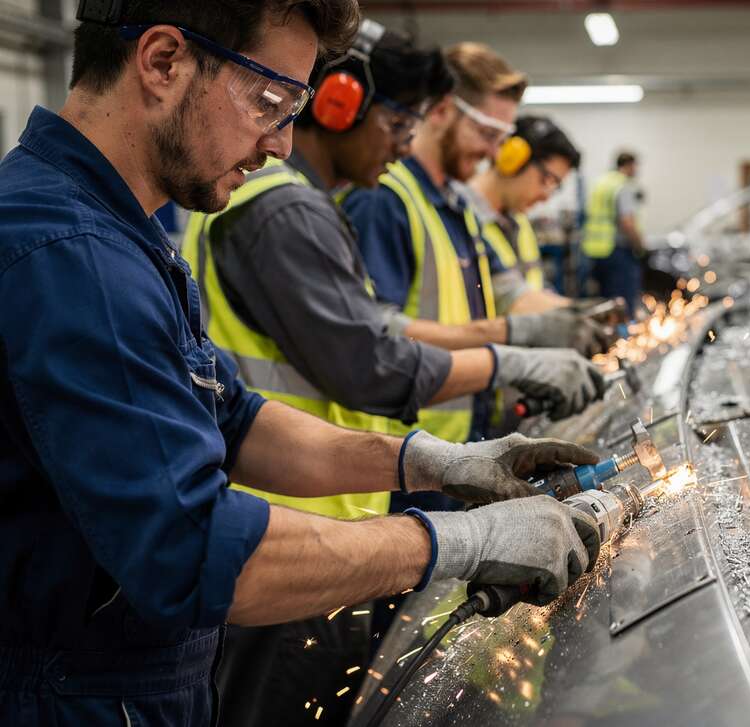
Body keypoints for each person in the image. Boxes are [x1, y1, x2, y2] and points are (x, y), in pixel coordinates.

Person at [0, 4, 599, 725]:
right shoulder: (68, 254)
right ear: (162, 62)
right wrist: (462, 540)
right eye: (271, 102)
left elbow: (236, 419)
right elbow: (193, 552)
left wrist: (439, 463)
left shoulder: (124, 234)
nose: (283, 143)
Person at [344, 42, 614, 445]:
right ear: (440, 111)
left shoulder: (455, 207)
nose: (493, 154)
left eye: (501, 138)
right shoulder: (384, 200)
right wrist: (514, 342)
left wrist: (579, 317)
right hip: (402, 447)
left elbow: (504, 291)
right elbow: (377, 339)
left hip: (455, 440)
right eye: (487, 134)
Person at [466, 114, 581, 313]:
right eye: (547, 180)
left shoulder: (520, 222)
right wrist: (577, 312)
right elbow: (511, 299)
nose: (546, 196)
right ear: (513, 159)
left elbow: (536, 289)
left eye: (555, 186)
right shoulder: (462, 218)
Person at [581, 150, 645, 315]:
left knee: (606, 303)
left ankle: (606, 338)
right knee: (623, 304)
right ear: (629, 165)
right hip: (618, 251)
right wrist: (640, 246)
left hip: (596, 251)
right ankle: (624, 339)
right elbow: (627, 222)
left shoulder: (602, 183)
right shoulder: (623, 185)